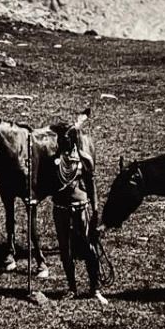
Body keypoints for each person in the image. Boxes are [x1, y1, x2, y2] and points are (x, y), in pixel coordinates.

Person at [50, 126, 107, 303]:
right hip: (60, 209)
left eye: (66, 140)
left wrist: (95, 210)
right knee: (65, 249)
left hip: (81, 208)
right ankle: (72, 288)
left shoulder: (84, 159)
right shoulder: (53, 161)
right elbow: (44, 185)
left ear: (73, 141)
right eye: (60, 140)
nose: (63, 143)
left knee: (89, 247)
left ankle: (95, 288)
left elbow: (91, 186)